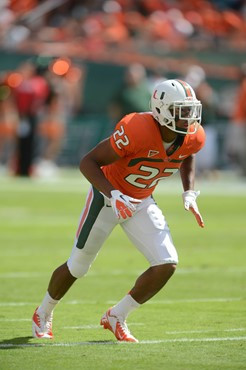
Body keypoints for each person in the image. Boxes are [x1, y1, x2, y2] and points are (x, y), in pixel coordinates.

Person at [32, 79, 205, 343]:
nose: (188, 118)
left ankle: (117, 316)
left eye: (190, 110)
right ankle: (43, 312)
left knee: (166, 263)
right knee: (78, 266)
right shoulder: (137, 128)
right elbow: (88, 162)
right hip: (108, 198)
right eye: (181, 111)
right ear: (161, 109)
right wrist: (113, 194)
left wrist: (189, 190)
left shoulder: (193, 135)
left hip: (141, 201)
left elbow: (188, 153)